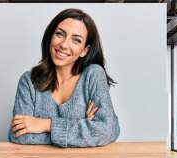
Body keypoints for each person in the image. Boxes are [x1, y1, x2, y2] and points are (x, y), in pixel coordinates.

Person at [8, 8, 120, 148]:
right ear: (51, 36)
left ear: (84, 50)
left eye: (76, 40)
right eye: (60, 34)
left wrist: (46, 124)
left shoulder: (93, 75)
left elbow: (106, 130)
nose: (64, 44)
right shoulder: (29, 81)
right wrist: (83, 126)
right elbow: (19, 135)